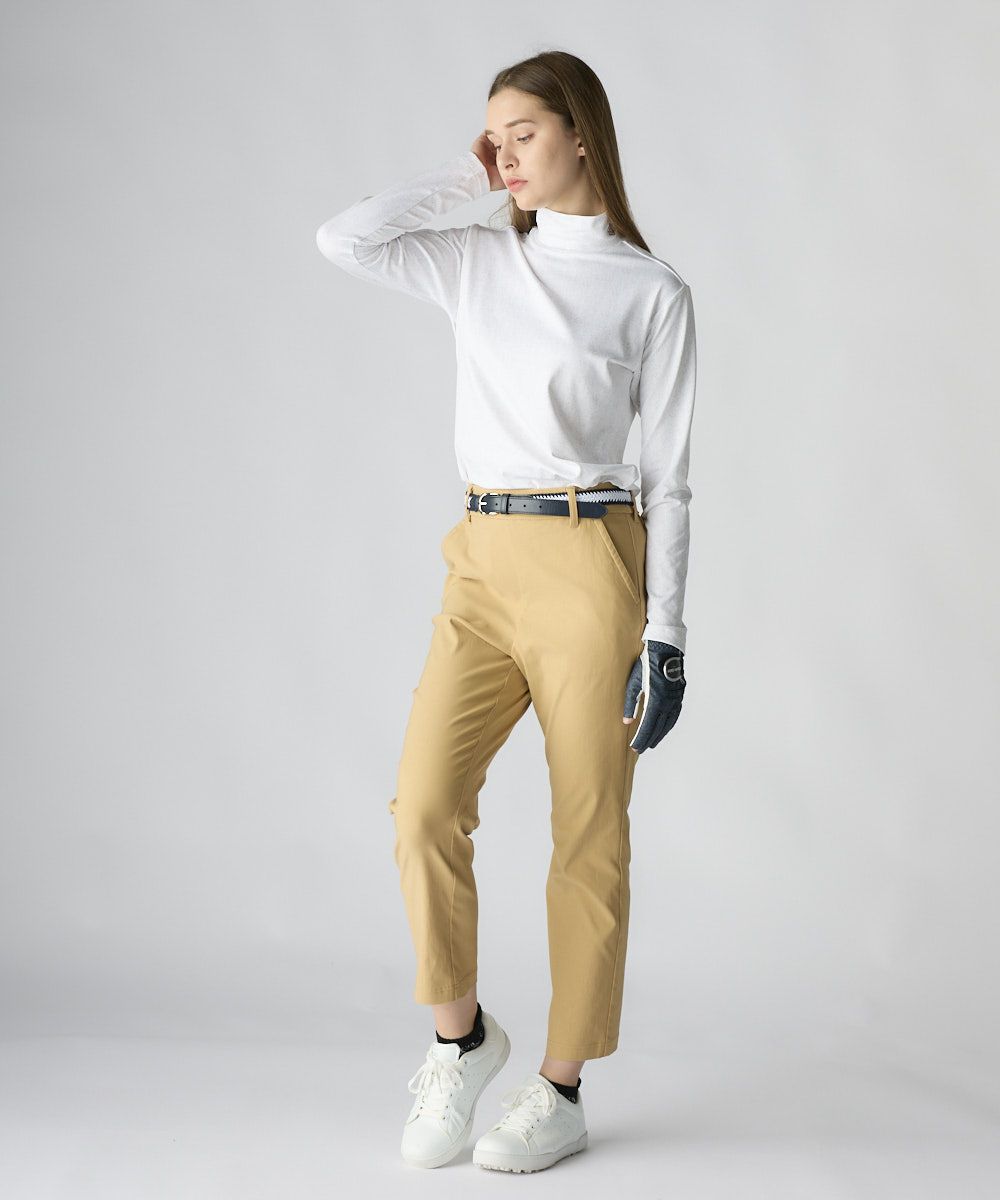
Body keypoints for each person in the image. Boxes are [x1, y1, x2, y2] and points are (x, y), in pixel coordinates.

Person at [315, 49, 696, 1173]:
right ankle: (462, 1037)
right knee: (424, 806)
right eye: (494, 136)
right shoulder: (480, 260)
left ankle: (562, 1088)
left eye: (524, 132)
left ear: (582, 132)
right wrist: (465, 176)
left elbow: (671, 478)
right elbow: (343, 239)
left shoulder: (651, 291)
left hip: (592, 555)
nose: (506, 153)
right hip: (480, 554)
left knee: (589, 830)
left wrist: (667, 631)